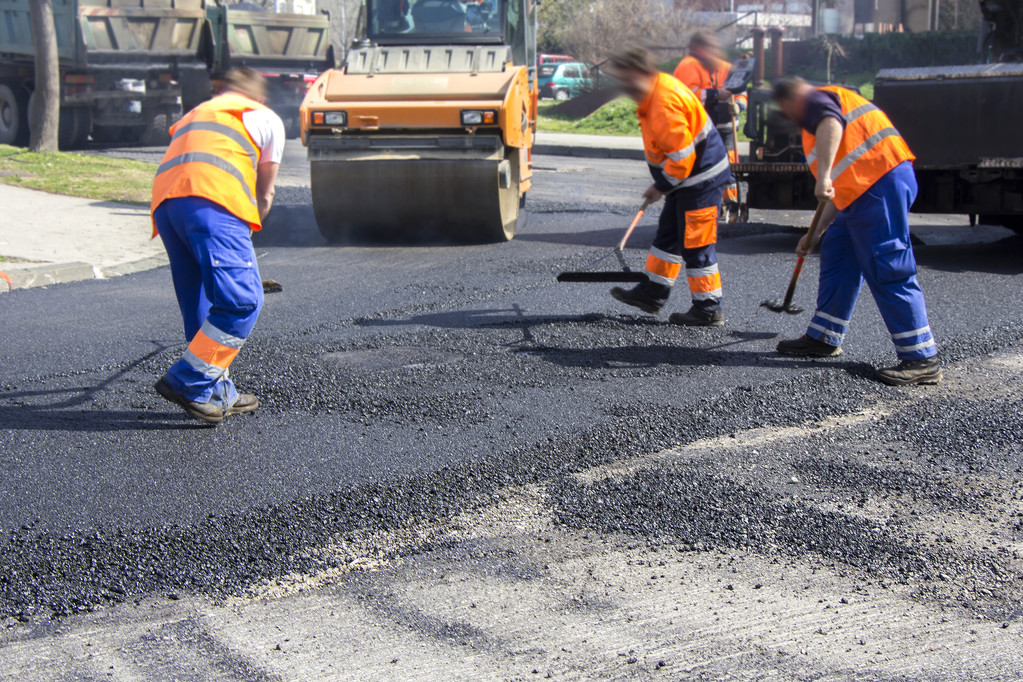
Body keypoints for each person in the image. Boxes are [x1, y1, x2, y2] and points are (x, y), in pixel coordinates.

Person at [772, 76, 941, 386]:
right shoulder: (818, 110)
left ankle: (921, 357)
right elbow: (840, 183)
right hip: (859, 190)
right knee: (838, 252)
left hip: (880, 181)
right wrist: (816, 232)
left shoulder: (814, 102)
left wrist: (822, 177)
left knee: (887, 263)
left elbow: (830, 124)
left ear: (789, 100)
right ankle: (825, 336)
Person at [151, 67, 285, 423]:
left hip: (167, 205)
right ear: (258, 97)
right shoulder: (265, 117)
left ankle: (217, 390)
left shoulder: (198, 112)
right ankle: (187, 380)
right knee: (242, 301)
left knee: (201, 300)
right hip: (214, 202)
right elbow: (264, 192)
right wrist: (244, 236)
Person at [606, 47, 733, 327]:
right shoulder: (656, 89)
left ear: (641, 72)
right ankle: (653, 293)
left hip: (700, 178)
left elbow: (682, 158)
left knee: (696, 243)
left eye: (627, 81)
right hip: (687, 180)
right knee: (669, 234)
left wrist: (660, 186)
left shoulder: (663, 102)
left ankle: (709, 308)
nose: (625, 88)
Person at [673, 30, 747, 221]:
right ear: (699, 49)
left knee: (729, 164)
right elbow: (687, 95)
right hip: (703, 127)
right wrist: (714, 94)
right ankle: (713, 204)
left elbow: (741, 90)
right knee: (707, 166)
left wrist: (738, 105)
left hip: (726, 124)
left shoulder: (726, 67)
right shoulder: (688, 66)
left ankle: (731, 203)